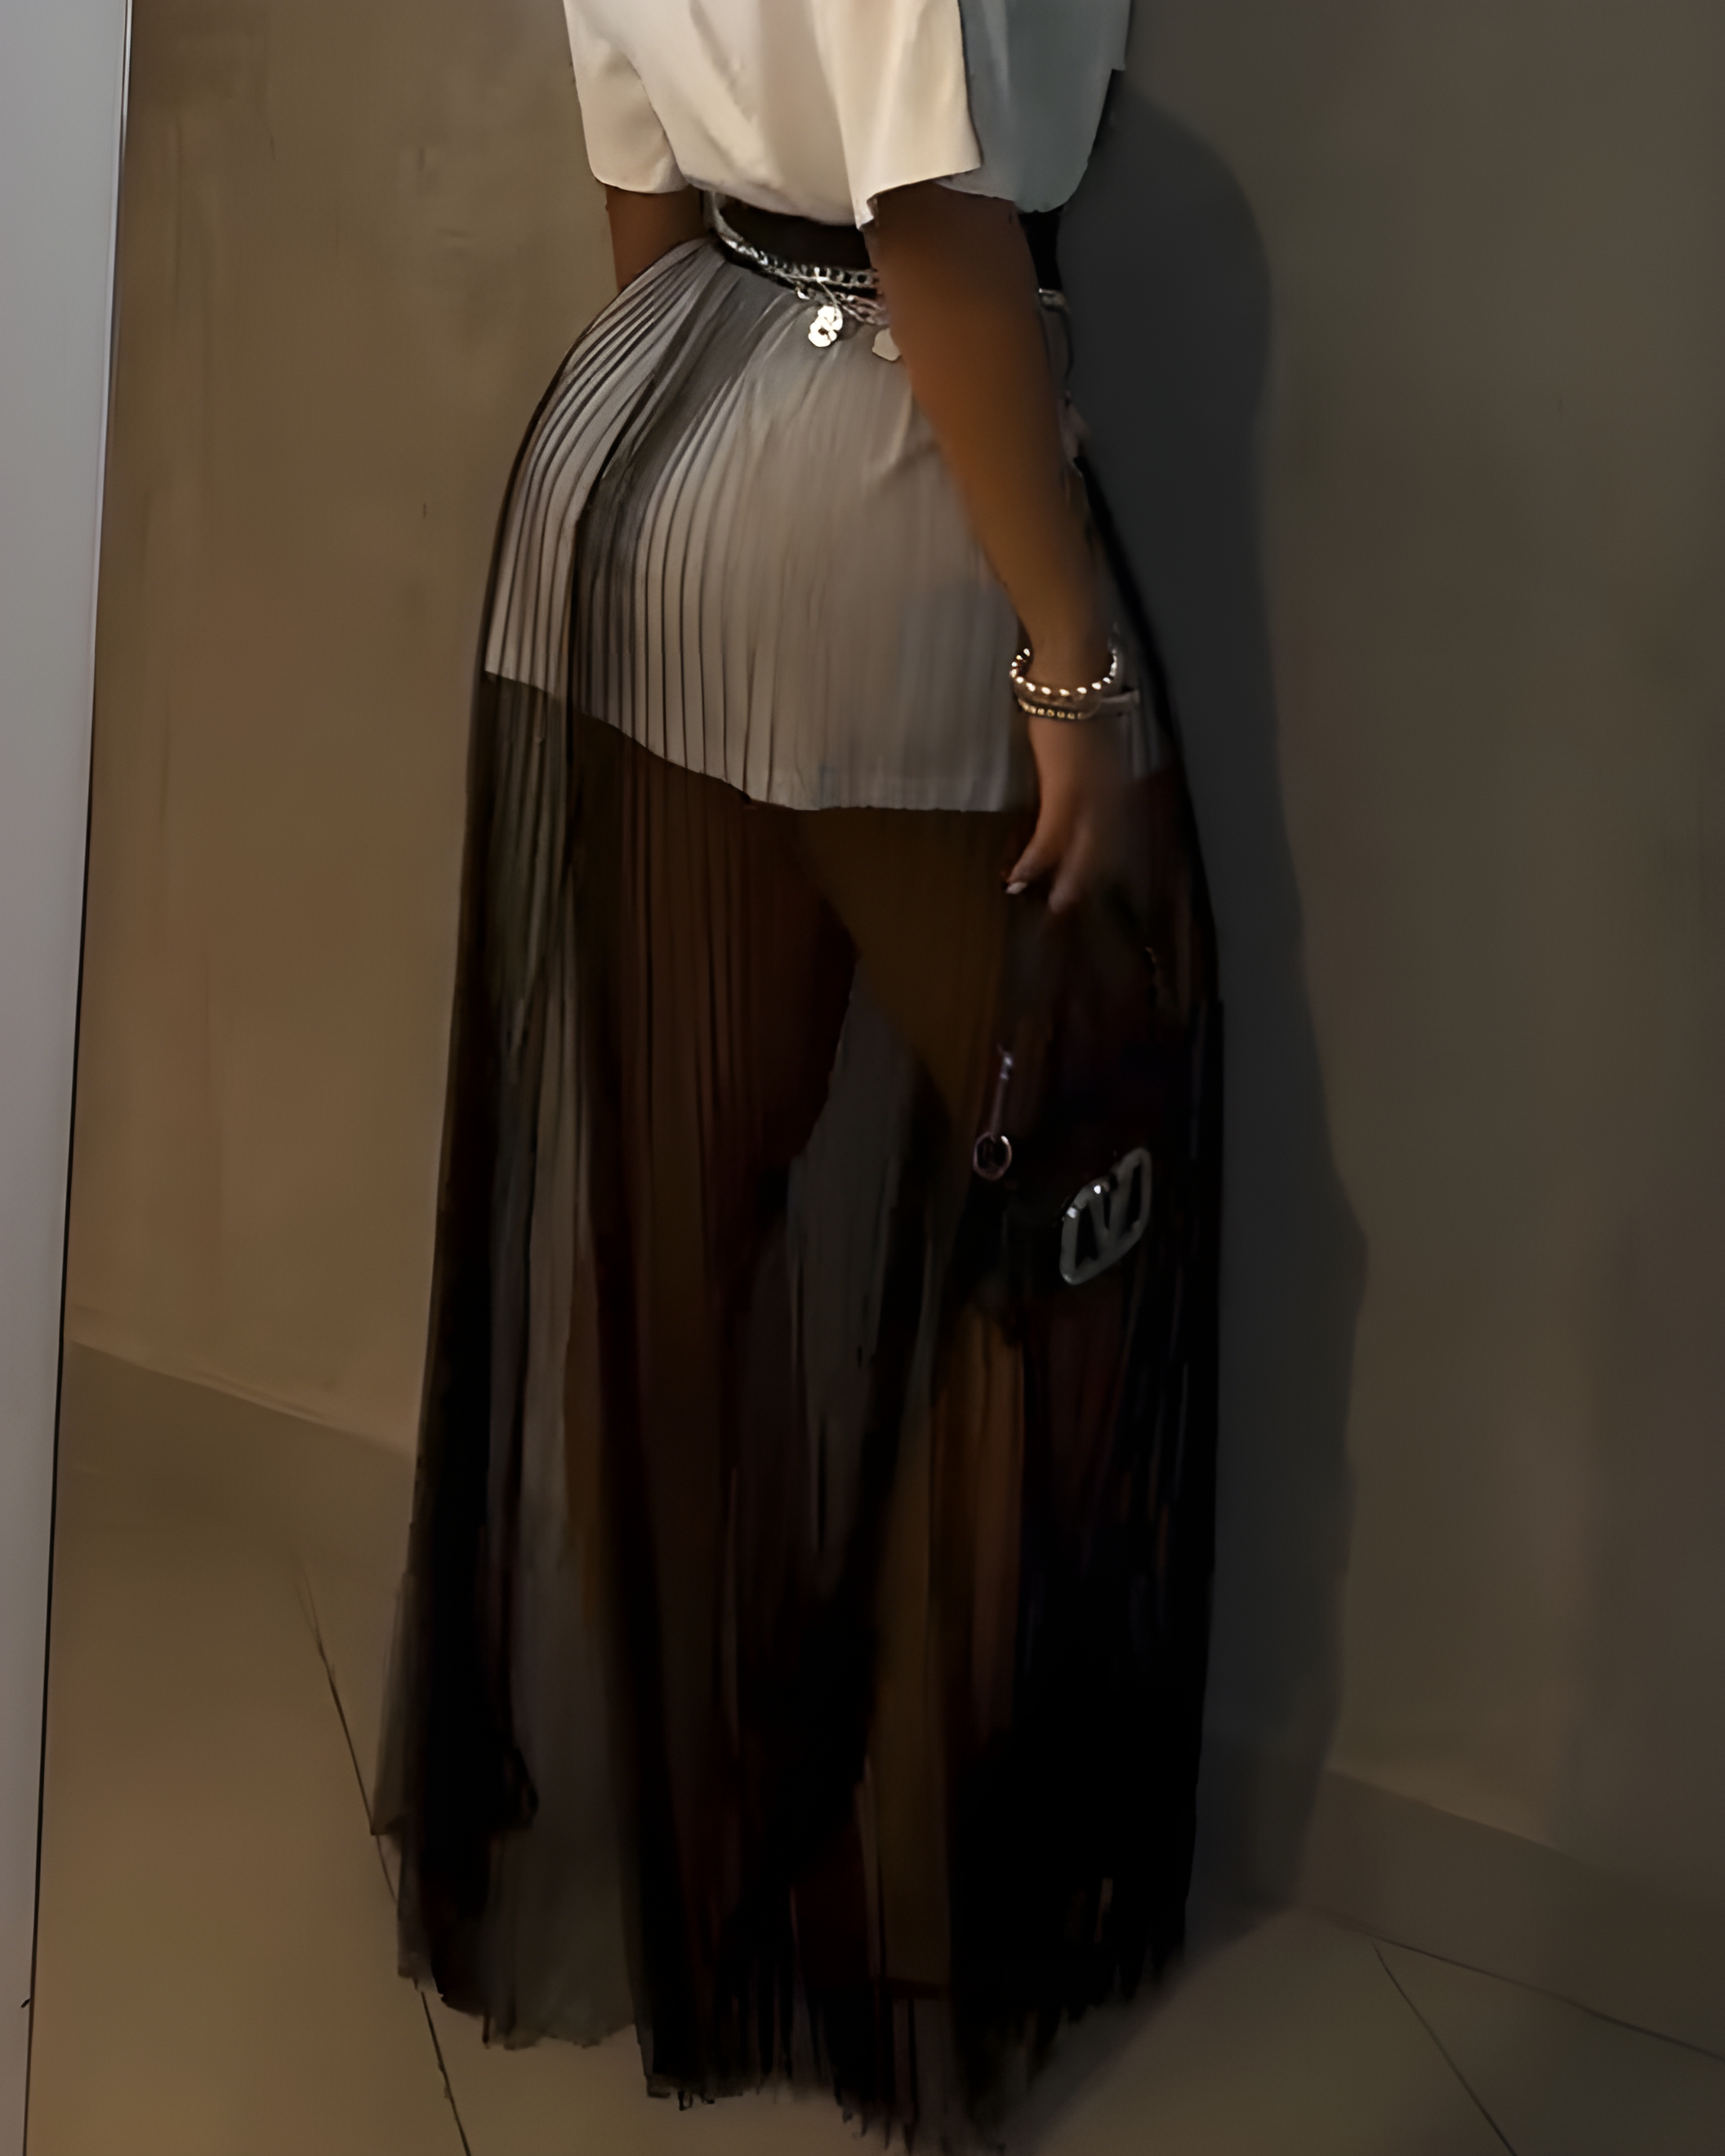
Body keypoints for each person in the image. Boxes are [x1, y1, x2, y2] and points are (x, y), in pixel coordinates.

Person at [374, 2, 1223, 2143]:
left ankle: (690, 1825)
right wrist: (1072, 662)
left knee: (683, 1205)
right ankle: (909, 1884)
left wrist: (718, 464)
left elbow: (644, 180)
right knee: (1078, 1170)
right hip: (890, 488)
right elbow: (932, 214)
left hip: (645, 458)